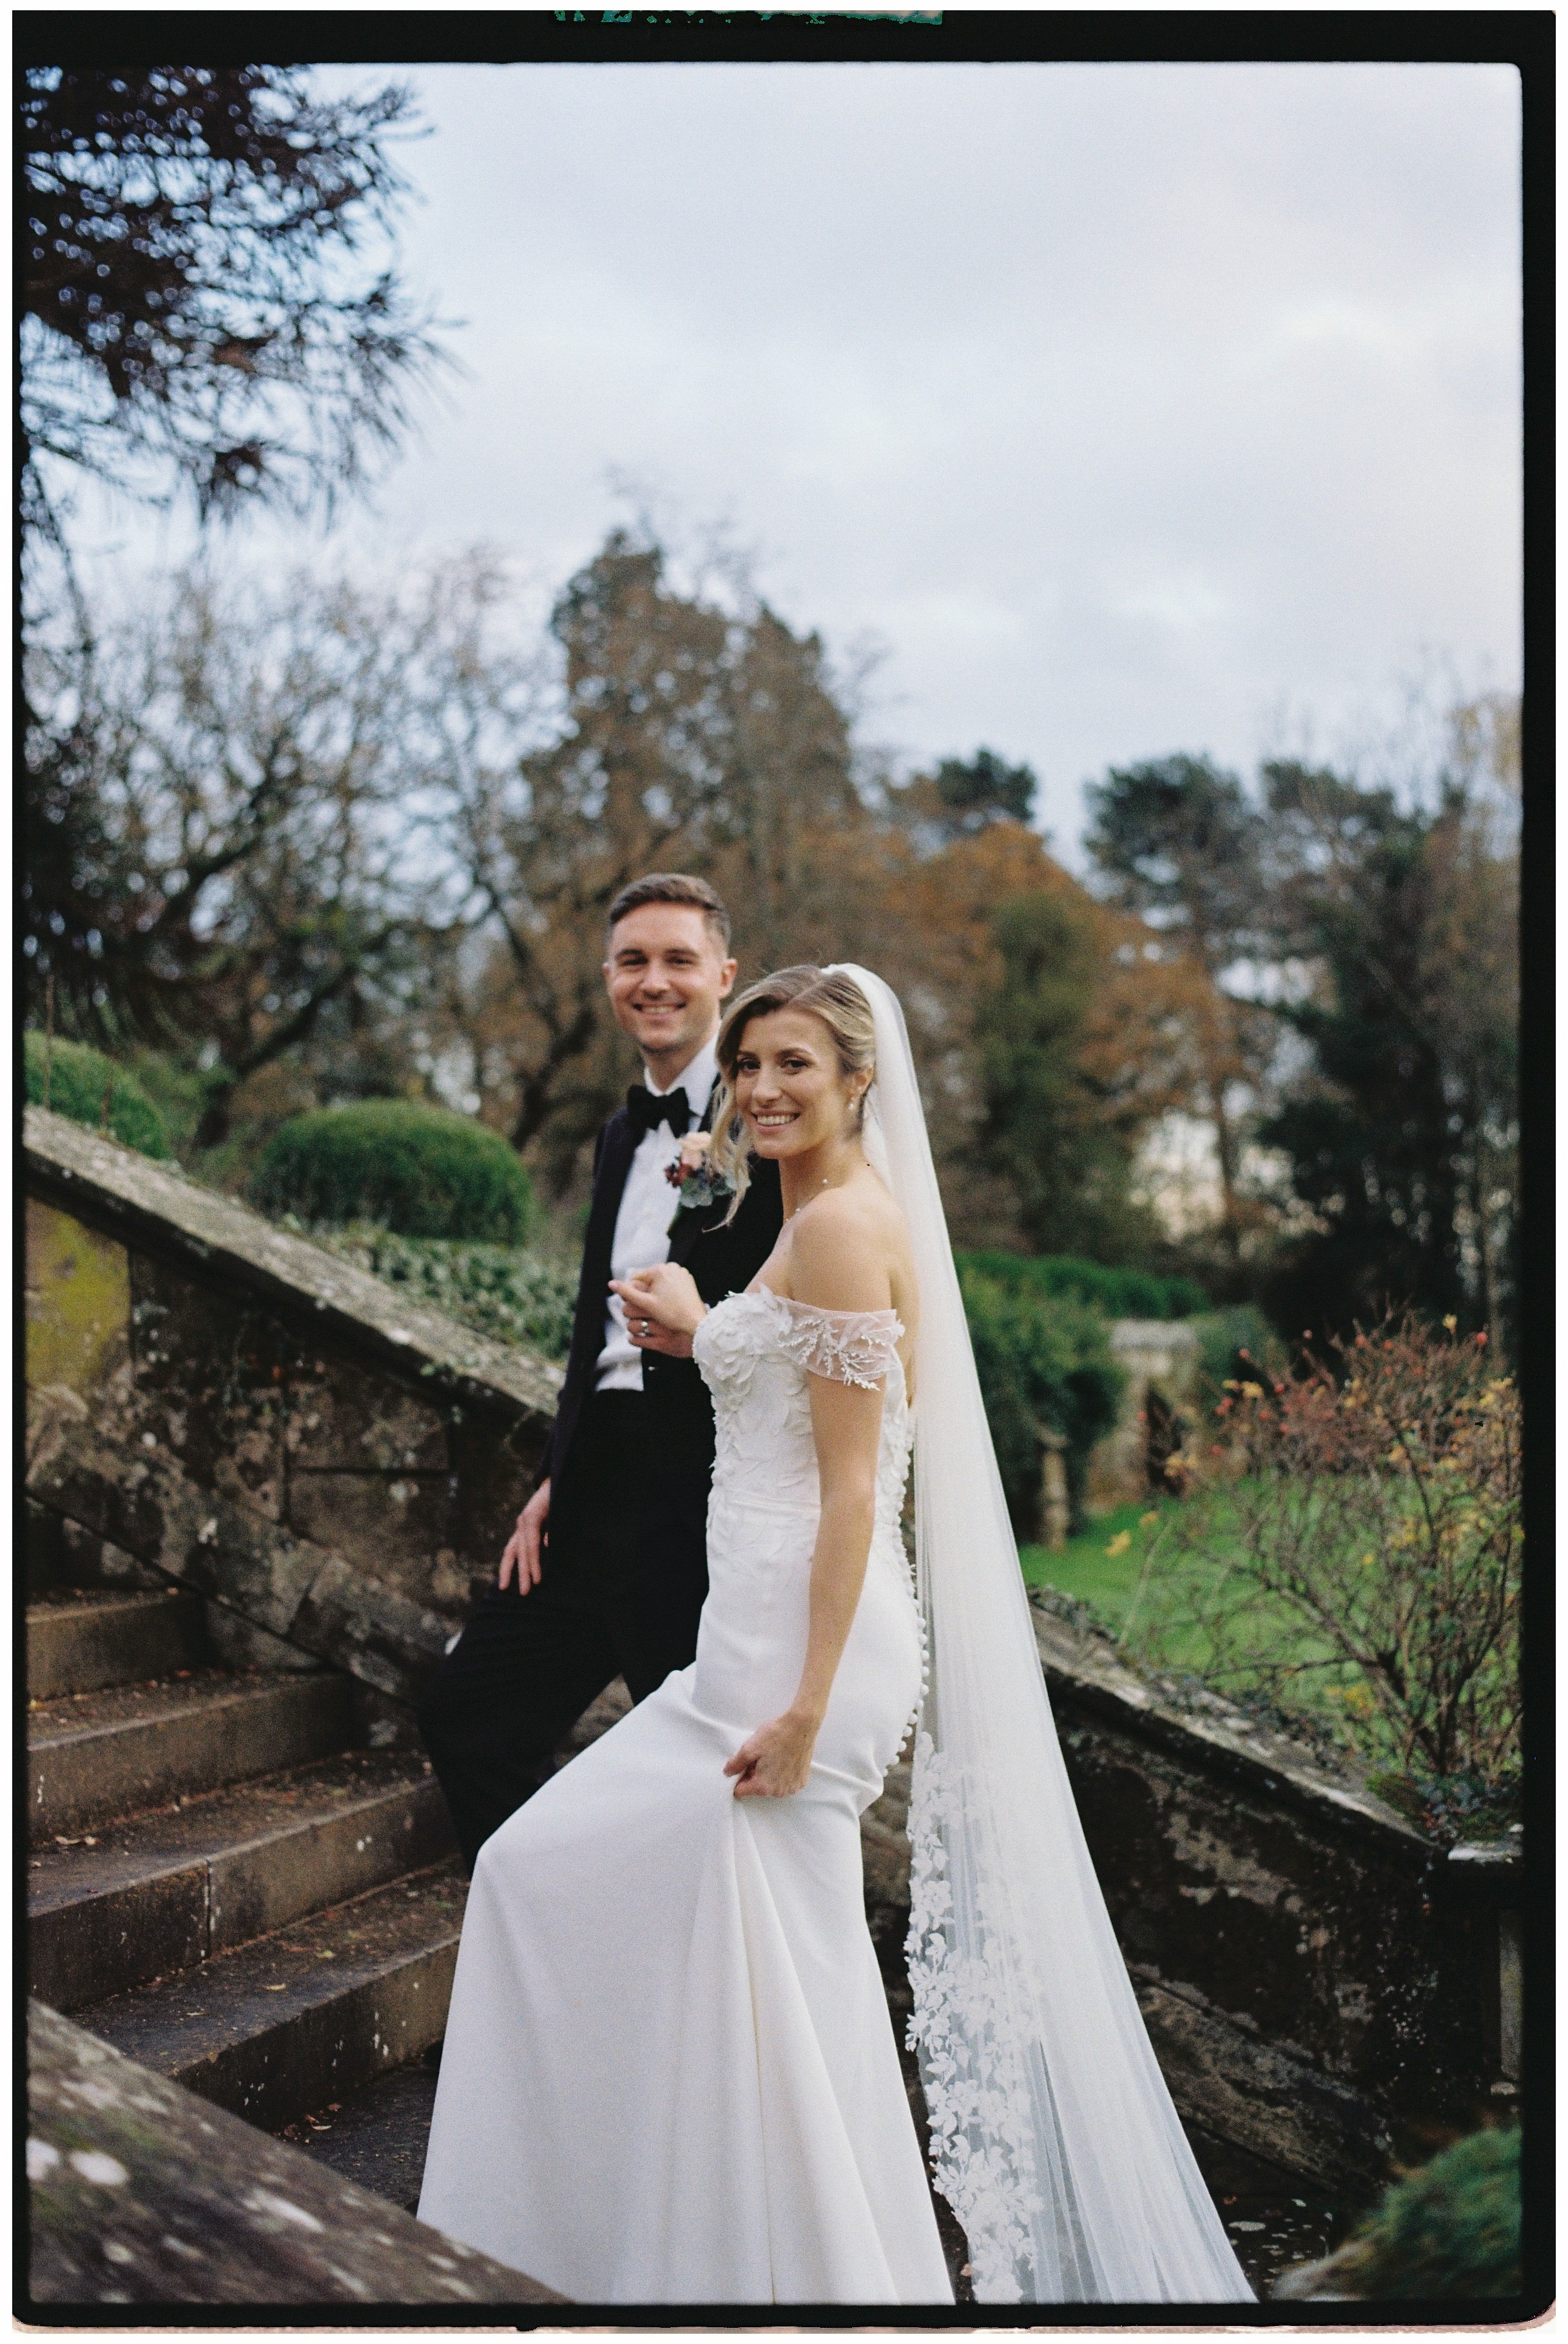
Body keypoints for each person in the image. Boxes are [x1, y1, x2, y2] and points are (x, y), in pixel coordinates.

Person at [417, 964, 1254, 2309]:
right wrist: (704, 1332)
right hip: (748, 1639)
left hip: (799, 1655)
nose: (760, 1091)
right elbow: (787, 1396)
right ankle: (731, 2257)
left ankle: (791, 2280)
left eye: (793, 1065)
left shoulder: (847, 1226)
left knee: (546, 1876)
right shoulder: (807, 1214)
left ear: (859, 1076)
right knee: (749, 1975)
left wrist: (805, 1706)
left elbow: (861, 1484)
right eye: (747, 1068)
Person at [417, 874, 782, 1871]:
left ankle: (672, 2008)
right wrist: (551, 1476)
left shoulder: (772, 1110)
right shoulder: (622, 1132)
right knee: (468, 1715)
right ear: (609, 977)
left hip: (702, 1498)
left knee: (709, 1788)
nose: (652, 980)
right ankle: (552, 1963)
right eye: (632, 960)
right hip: (590, 1491)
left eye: (676, 959)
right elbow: (592, 1331)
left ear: (724, 974)